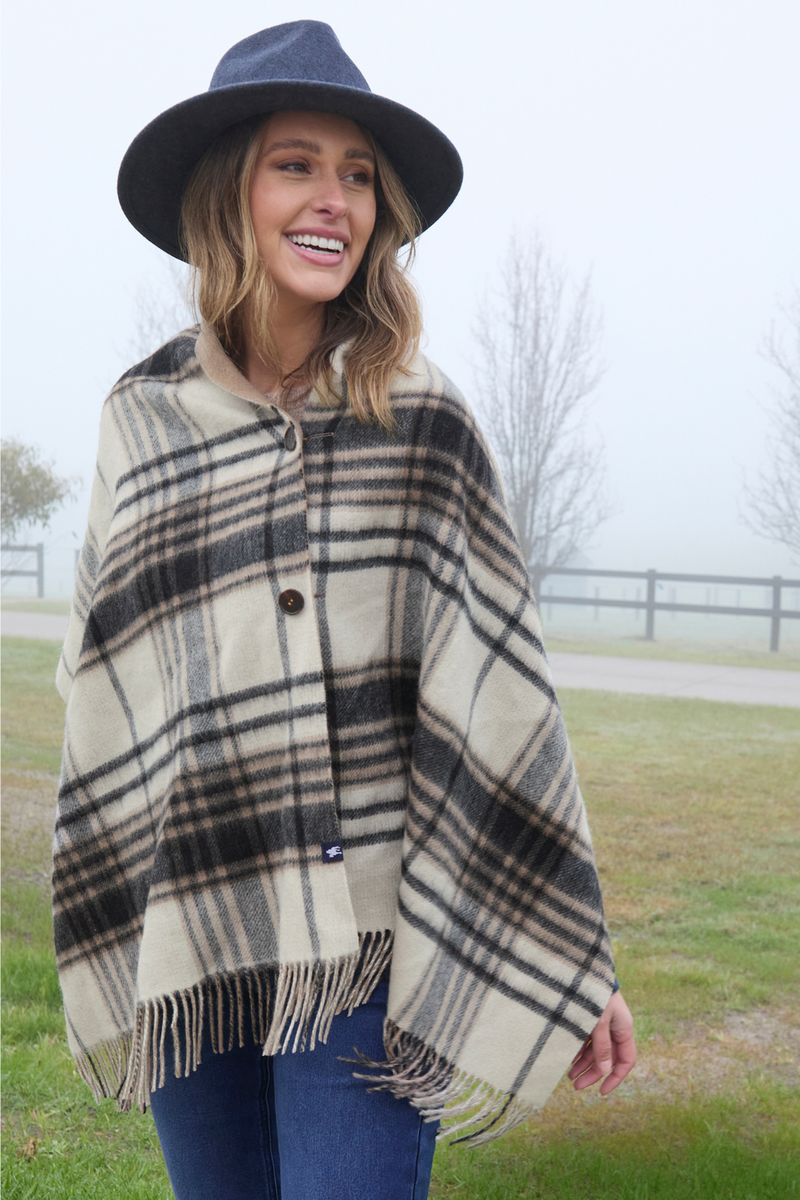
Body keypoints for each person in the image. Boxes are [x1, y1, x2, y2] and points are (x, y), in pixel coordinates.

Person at [53, 20, 635, 1200]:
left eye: (358, 175)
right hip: (199, 927)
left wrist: (570, 952)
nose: (335, 200)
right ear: (227, 194)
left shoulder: (421, 420)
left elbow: (502, 691)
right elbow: (103, 677)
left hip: (372, 943)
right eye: (296, 164)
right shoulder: (142, 420)